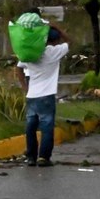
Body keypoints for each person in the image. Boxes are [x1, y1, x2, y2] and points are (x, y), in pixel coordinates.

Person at [16, 25, 69, 167]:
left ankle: (31, 157)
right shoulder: (54, 52)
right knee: (46, 126)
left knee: (31, 127)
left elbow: (19, 68)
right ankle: (44, 157)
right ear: (55, 40)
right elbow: (71, 42)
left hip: (32, 95)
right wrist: (58, 27)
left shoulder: (32, 51)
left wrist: (24, 87)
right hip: (47, 95)